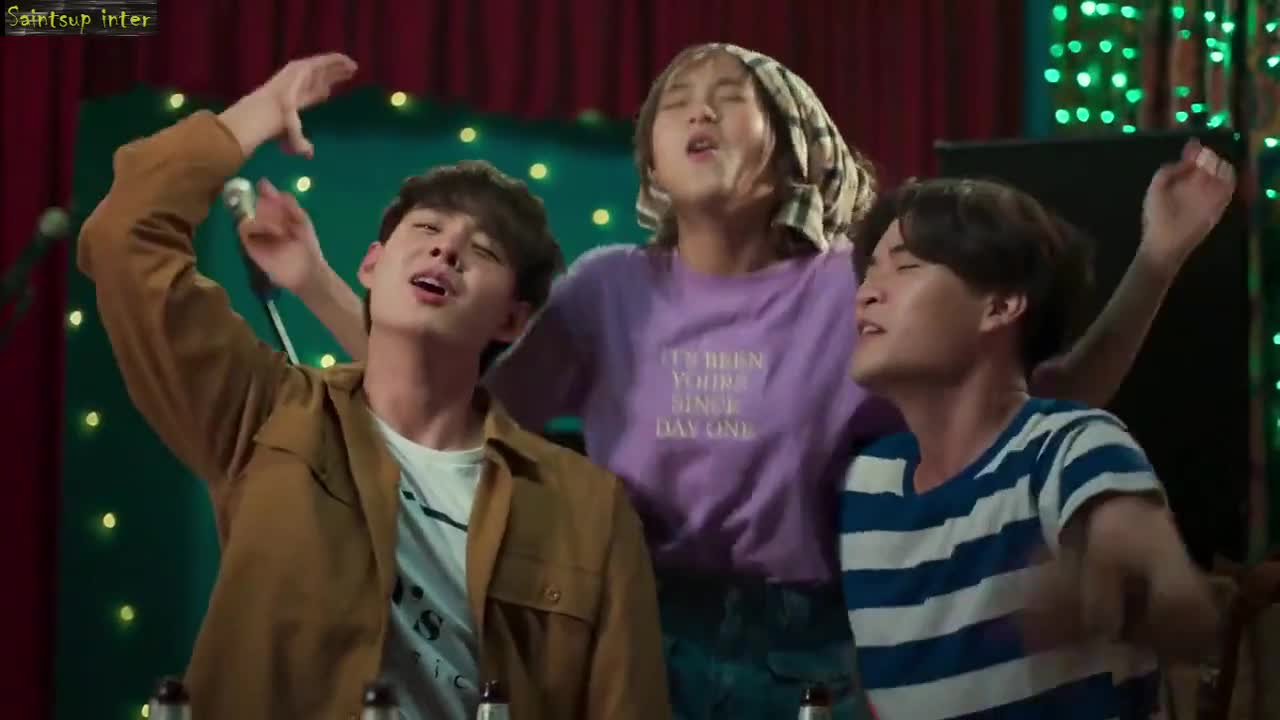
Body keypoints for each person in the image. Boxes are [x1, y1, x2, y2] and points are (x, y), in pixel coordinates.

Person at [260, 45, 1233, 720]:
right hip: (637, 629)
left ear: (792, 145)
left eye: (730, 96)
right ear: (650, 158)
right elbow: (450, 410)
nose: (698, 109)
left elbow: (1036, 402)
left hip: (813, 651)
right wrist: (314, 280)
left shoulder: (855, 289)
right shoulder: (606, 288)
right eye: (677, 99)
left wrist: (1156, 261)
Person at [78, 53, 669, 720]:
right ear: (371, 265)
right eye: (428, 229)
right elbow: (125, 235)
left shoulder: (587, 509)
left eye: (482, 251)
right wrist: (258, 114)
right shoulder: (266, 415)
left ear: (512, 320)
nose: (447, 250)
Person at [839, 167, 1232, 719]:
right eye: (868, 272)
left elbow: (1170, 591)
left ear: (1000, 306)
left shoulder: (1068, 446)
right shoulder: (870, 484)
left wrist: (1136, 577)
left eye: (906, 266)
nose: (866, 293)